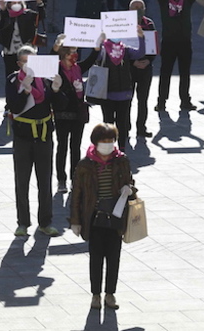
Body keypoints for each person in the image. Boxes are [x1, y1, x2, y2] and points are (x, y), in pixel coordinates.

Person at [70, 122, 136, 310]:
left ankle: (110, 294)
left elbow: (130, 182)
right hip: (95, 217)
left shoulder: (121, 161)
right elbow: (77, 193)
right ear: (96, 143)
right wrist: (75, 220)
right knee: (96, 258)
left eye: (111, 141)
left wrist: (130, 189)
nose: (108, 145)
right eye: (104, 141)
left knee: (114, 257)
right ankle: (96, 295)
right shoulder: (85, 165)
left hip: (116, 217)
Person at [6, 45, 65, 238]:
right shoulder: (13, 80)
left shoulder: (46, 80)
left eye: (33, 61)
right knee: (22, 181)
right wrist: (24, 90)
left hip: (44, 134)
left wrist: (57, 90)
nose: (29, 66)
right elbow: (14, 106)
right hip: (23, 136)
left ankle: (45, 222)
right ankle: (22, 222)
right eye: (25, 62)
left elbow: (59, 105)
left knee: (45, 180)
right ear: (19, 64)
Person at [51, 35, 100, 192]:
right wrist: (56, 46)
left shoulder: (78, 68)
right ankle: (61, 180)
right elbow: (51, 59)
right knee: (62, 146)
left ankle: (75, 178)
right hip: (62, 114)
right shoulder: (57, 68)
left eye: (76, 51)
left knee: (76, 147)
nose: (75, 54)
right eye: (72, 51)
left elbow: (91, 60)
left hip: (78, 113)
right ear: (64, 54)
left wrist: (96, 48)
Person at [154, 0, 204, 111]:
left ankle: (185, 101)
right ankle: (161, 102)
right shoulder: (164, 1)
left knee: (185, 74)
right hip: (168, 43)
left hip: (184, 43)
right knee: (165, 74)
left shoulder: (187, 0)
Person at [92, 29, 146, 151]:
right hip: (107, 93)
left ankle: (122, 148)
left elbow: (139, 53)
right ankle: (108, 148)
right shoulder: (104, 49)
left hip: (124, 93)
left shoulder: (125, 49)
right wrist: (98, 43)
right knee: (108, 123)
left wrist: (141, 38)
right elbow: (95, 56)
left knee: (123, 124)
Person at [0, 0, 45, 79]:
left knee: (29, 76)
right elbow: (1, 24)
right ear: (9, 4)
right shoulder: (5, 15)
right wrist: (3, 9)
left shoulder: (28, 14)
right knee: (11, 76)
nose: (16, 4)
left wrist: (39, 2)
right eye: (13, 2)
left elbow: (41, 16)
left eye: (18, 2)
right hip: (10, 51)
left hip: (26, 51)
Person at [127, 0, 156, 138]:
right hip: (129, 68)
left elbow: (154, 46)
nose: (137, 10)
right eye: (134, 8)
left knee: (143, 100)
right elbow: (120, 48)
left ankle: (141, 127)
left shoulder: (149, 24)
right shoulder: (123, 25)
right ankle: (125, 126)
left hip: (145, 68)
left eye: (140, 7)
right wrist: (132, 62)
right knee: (127, 99)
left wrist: (148, 61)